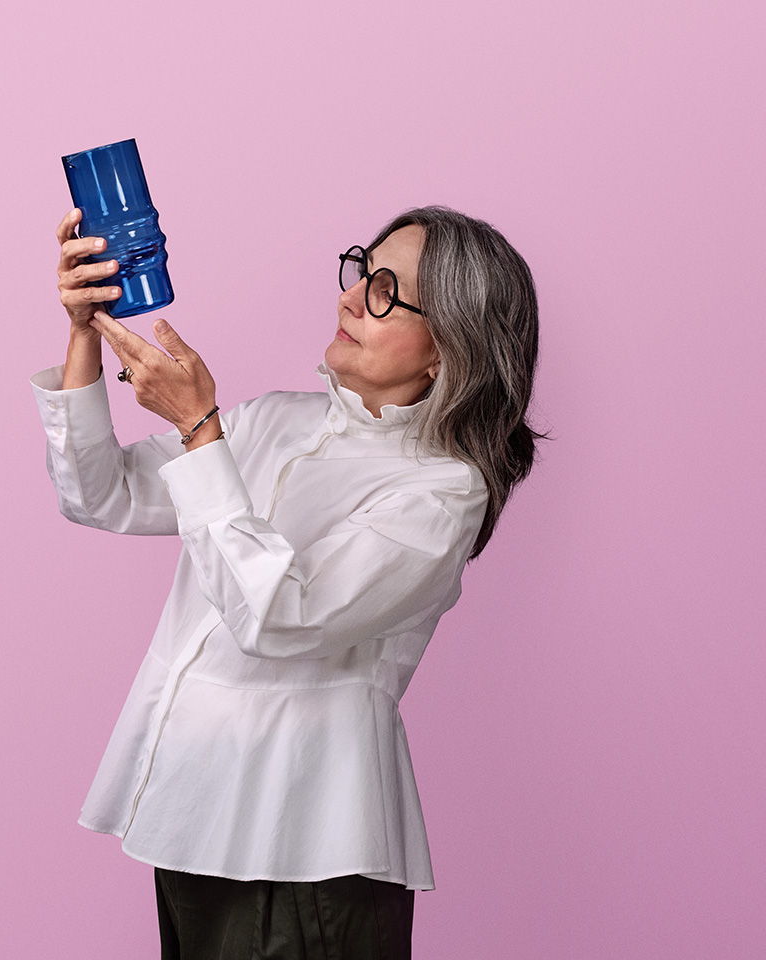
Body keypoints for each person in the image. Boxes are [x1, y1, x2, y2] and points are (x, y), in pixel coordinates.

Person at [29, 204, 547, 959]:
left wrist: (200, 429)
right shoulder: (273, 421)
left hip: (303, 844)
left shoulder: (441, 493)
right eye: (361, 272)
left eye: (385, 292)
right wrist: (84, 332)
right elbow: (102, 494)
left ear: (449, 349)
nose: (350, 296)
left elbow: (278, 616)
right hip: (190, 816)